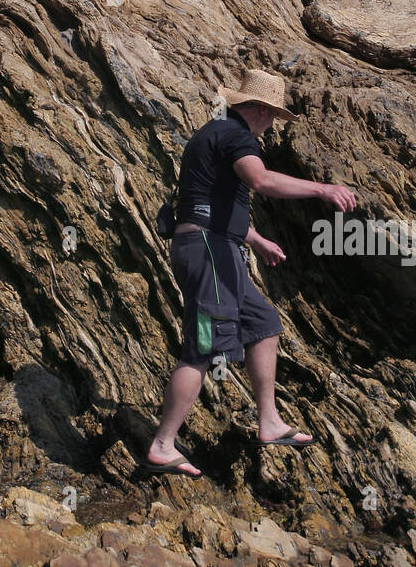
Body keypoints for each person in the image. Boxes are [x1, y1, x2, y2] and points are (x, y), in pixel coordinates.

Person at [144, 69, 356, 477]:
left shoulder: (218, 133)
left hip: (218, 248)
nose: (272, 126)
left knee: (264, 324)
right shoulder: (236, 135)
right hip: (207, 252)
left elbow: (217, 201)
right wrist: (322, 189)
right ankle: (162, 444)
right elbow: (260, 181)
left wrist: (255, 240)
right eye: (273, 117)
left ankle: (270, 422)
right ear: (258, 109)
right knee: (202, 349)